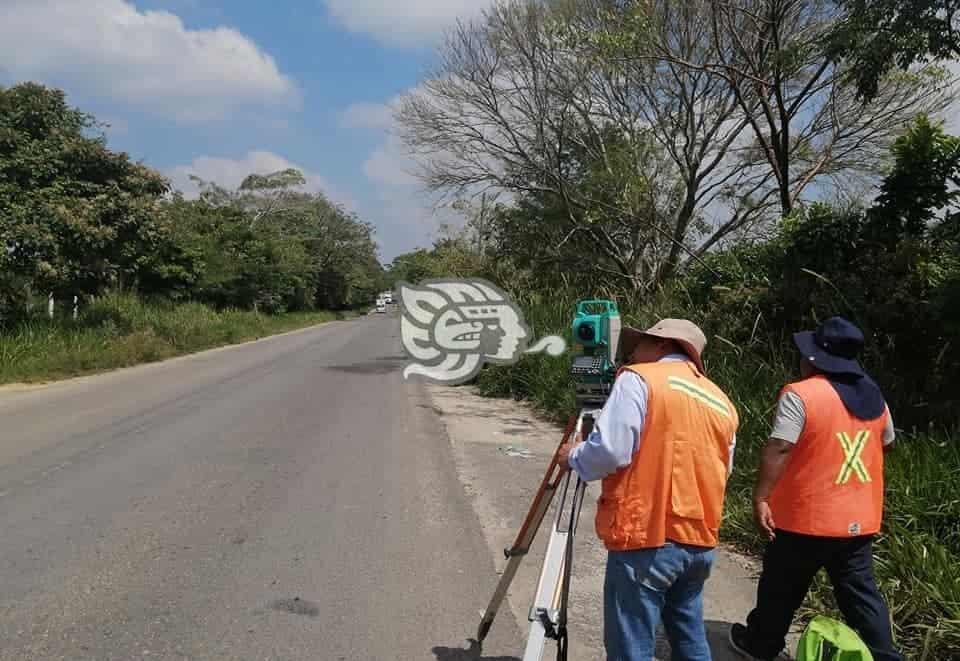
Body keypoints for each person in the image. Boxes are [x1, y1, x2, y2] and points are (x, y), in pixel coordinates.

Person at [558, 319, 739, 661]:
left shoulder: (640, 379)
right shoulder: (721, 401)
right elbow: (722, 468)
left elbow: (611, 450)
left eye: (638, 345)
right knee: (688, 635)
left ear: (661, 346)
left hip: (648, 538)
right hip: (699, 541)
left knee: (632, 646)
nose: (630, 354)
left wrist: (575, 456)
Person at [728, 317, 903, 661]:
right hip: (858, 520)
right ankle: (885, 657)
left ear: (814, 359)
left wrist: (761, 496)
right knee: (861, 596)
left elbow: (781, 446)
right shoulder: (875, 396)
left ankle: (761, 645)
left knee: (781, 585)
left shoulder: (801, 394)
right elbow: (888, 442)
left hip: (805, 517)